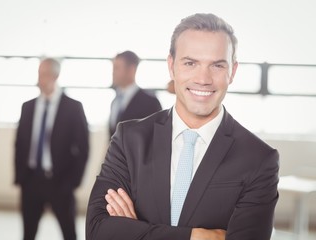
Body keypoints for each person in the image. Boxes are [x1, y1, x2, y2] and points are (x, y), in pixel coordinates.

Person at [86, 13, 279, 240]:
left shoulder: (258, 158)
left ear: (232, 72)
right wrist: (195, 236)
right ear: (171, 66)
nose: (203, 78)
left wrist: (135, 231)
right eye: (190, 63)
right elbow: (98, 230)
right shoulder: (130, 139)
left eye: (217, 65)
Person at [14, 58, 89, 240]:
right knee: (28, 233)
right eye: (39, 74)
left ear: (56, 76)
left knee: (69, 233)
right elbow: (20, 144)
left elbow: (84, 146)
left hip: (60, 182)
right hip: (31, 180)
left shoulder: (73, 107)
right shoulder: (28, 106)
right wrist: (20, 177)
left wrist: (73, 181)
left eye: (45, 74)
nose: (41, 79)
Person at [109, 50, 162, 138]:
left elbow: (156, 137)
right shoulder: (115, 101)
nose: (113, 73)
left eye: (117, 68)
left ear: (131, 70)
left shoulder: (150, 103)